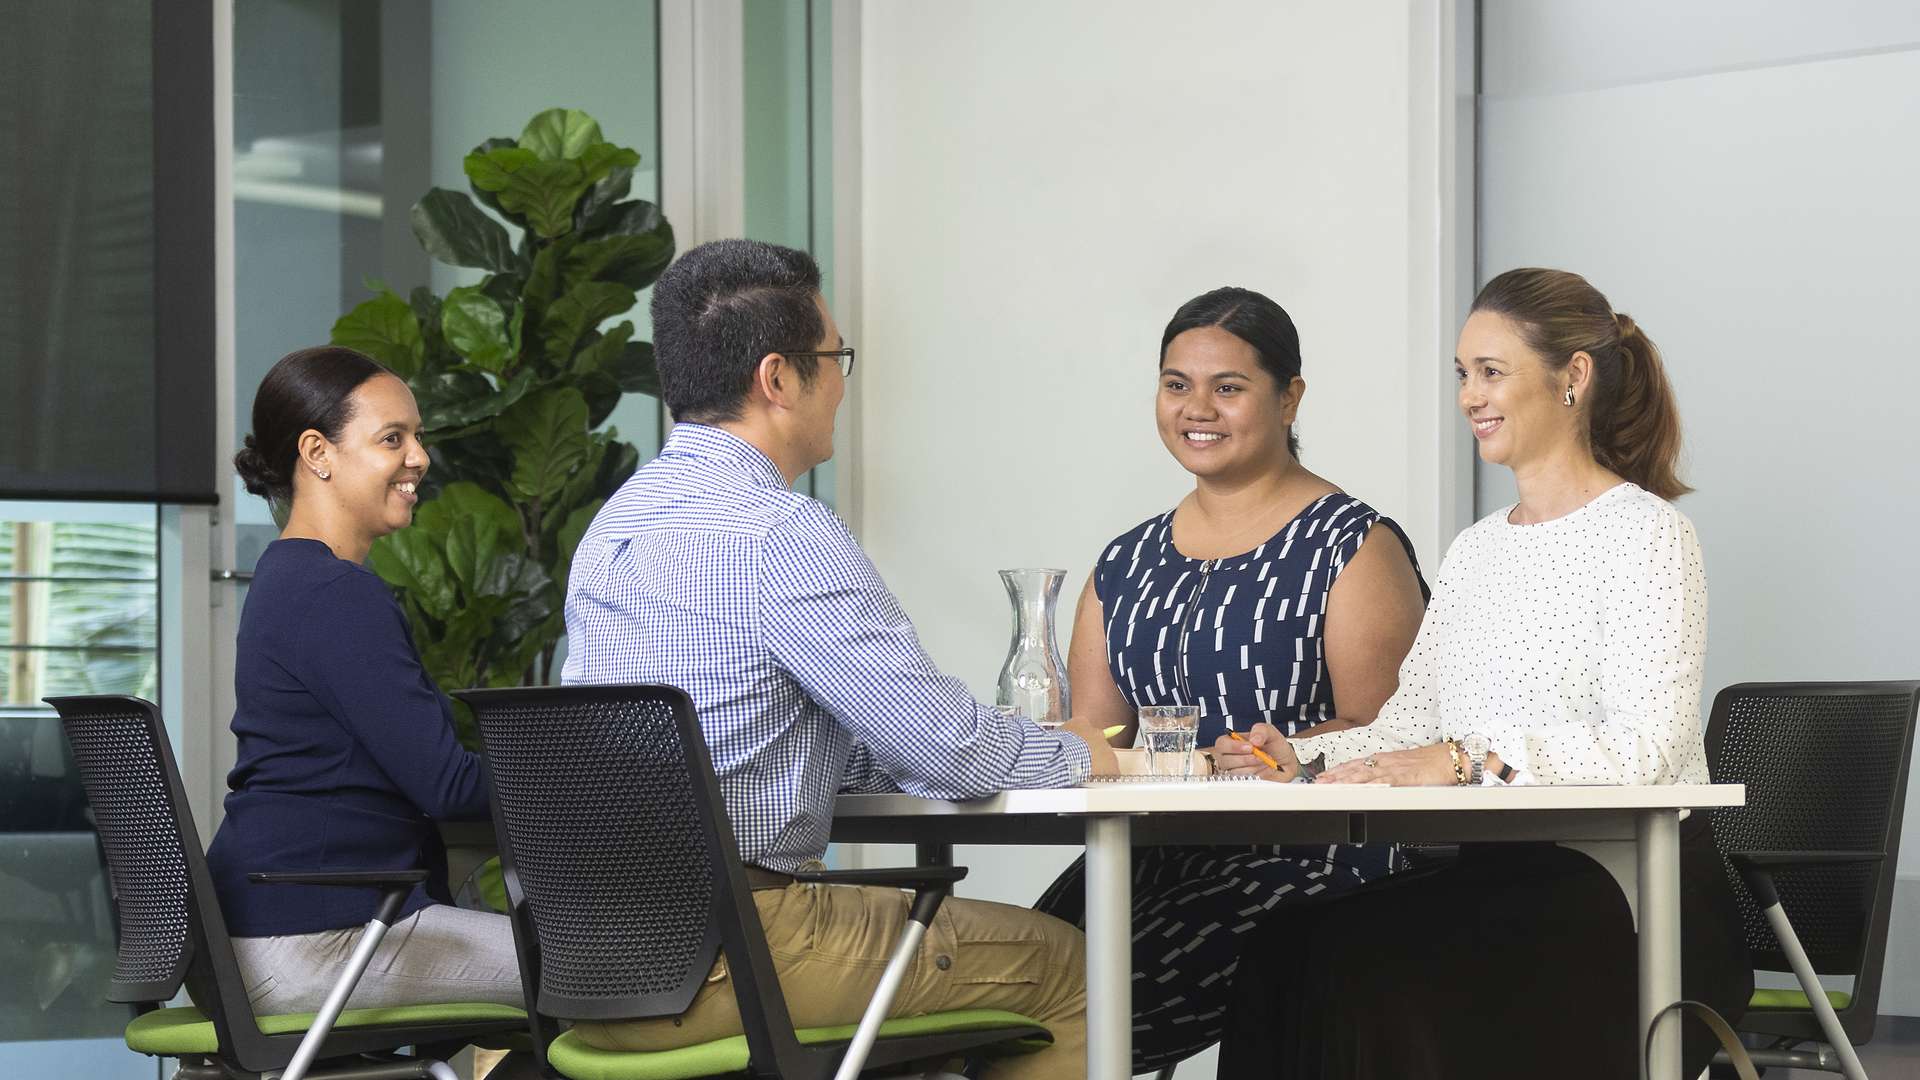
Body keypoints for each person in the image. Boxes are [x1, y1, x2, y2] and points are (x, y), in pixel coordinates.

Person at [560, 239, 1113, 1078]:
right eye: (836, 357)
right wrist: (1084, 750)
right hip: (728, 958)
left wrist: (896, 757)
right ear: (778, 379)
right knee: (1069, 968)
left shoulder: (613, 529)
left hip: (592, 963)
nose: (845, 382)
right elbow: (949, 749)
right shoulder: (779, 533)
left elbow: (747, 729)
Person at [1211, 268, 1751, 1078]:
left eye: (1491, 372)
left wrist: (1469, 762)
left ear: (1573, 377)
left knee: (1362, 972)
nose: (1470, 396)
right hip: (1504, 878)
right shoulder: (1476, 551)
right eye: (1464, 374)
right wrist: (1305, 757)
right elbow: (1412, 726)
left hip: (1634, 900)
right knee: (1284, 949)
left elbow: (1648, 751)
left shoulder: (1648, 537)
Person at [1031, 286, 1431, 1071]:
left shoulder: (1351, 543)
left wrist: (1267, 756)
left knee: (1079, 1009)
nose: (1196, 408)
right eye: (1176, 384)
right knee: (1011, 983)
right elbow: (1098, 736)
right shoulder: (1126, 561)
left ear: (1290, 399)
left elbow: (1393, 734)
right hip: (1154, 850)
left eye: (1229, 387)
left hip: (1315, 853)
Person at [207, 346, 522, 1012]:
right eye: (392, 438)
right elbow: (448, 785)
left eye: (418, 437)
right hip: (318, 941)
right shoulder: (334, 593)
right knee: (612, 967)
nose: (420, 458)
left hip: (258, 935)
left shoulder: (286, 578)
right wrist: (598, 784)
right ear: (318, 453)